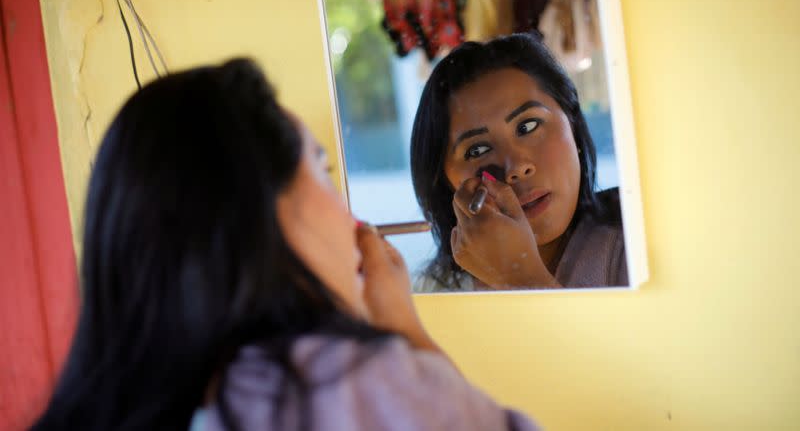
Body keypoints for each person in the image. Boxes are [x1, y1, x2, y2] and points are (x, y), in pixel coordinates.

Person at [30, 59, 539, 431]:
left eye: (531, 125)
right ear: (258, 211)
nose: (515, 166)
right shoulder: (339, 386)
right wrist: (407, 334)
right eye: (322, 171)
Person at [410, 33, 626, 292]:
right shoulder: (435, 294)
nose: (515, 168)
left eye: (528, 126)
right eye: (477, 150)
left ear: (574, 126)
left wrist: (518, 277)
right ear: (444, 182)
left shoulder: (642, 241)